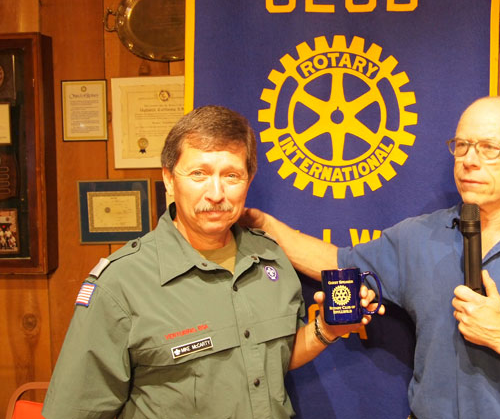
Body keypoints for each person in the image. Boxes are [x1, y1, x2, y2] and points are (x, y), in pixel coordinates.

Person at [242, 96, 500, 418]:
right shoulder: (419, 236)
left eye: (490, 148)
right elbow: (339, 263)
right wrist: (266, 227)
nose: (470, 160)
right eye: (462, 146)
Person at [42, 106, 381, 419]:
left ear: (248, 180)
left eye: (231, 176)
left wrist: (326, 330)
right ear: (169, 178)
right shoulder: (122, 283)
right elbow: (74, 410)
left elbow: (272, 359)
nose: (216, 193)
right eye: (199, 173)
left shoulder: (270, 258)